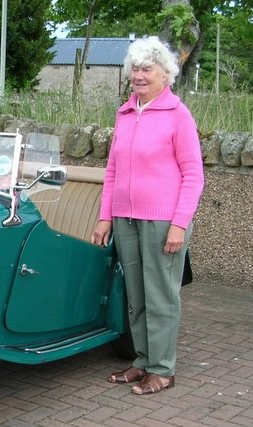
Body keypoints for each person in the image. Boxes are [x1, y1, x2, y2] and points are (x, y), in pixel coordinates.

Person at [91, 36, 204, 395]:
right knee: (135, 296)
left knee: (161, 297)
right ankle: (142, 361)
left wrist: (179, 224)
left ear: (164, 74)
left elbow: (193, 175)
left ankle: (163, 368)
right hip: (125, 219)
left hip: (163, 222)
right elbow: (112, 171)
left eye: (147, 69)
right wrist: (105, 217)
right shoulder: (125, 113)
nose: (139, 75)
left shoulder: (177, 114)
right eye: (135, 69)